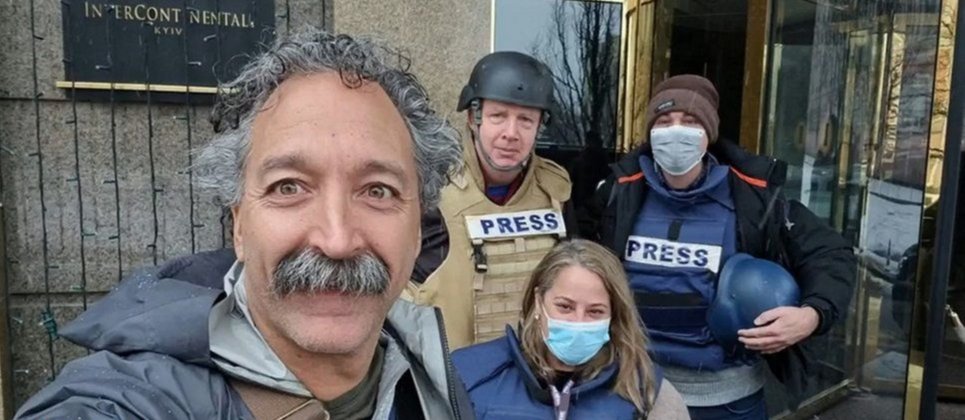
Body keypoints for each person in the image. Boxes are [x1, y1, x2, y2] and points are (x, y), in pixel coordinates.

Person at [15, 29, 473, 420]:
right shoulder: (128, 401)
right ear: (239, 226)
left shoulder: (430, 376)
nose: (337, 240)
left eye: (377, 191)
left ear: (417, 230)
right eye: (288, 187)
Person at [586, 74, 856, 419]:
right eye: (664, 121)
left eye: (690, 121)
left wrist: (811, 315)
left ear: (709, 133)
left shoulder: (754, 197)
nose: (675, 131)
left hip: (728, 403)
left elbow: (831, 255)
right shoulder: (617, 193)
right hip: (632, 395)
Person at [406, 51, 575, 349]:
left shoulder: (555, 191)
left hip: (533, 365)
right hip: (450, 368)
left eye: (526, 120)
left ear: (539, 127)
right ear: (474, 118)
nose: (511, 133)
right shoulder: (432, 186)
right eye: (498, 116)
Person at [452, 239, 690, 419]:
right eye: (565, 307)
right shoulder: (469, 375)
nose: (578, 321)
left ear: (614, 316)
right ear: (538, 301)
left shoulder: (646, 390)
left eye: (595, 311)